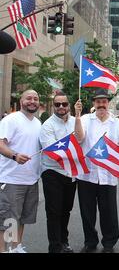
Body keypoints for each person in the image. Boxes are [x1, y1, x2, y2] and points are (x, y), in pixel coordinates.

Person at [74, 89, 119, 253]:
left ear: (108, 103)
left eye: (104, 101)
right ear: (94, 104)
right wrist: (76, 115)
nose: (101, 105)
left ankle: (109, 243)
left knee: (109, 212)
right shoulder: (84, 119)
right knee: (87, 212)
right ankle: (90, 242)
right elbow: (79, 138)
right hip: (87, 174)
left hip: (107, 175)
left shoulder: (115, 122)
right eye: (98, 102)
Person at [0, 90, 41, 253]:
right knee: (8, 219)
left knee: (22, 218)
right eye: (28, 98)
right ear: (21, 100)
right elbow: (1, 144)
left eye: (35, 99)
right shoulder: (11, 120)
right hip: (11, 180)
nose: (32, 101)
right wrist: (15, 155)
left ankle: (16, 247)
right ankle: (5, 250)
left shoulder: (38, 123)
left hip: (31, 180)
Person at [39, 92, 76, 253]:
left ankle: (64, 241)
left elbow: (83, 141)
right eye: (57, 104)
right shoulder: (47, 125)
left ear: (69, 105)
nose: (61, 107)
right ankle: (54, 247)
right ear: (53, 106)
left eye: (64, 104)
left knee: (66, 210)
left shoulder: (76, 122)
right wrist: (75, 152)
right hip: (52, 172)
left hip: (71, 173)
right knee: (54, 212)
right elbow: (52, 152)